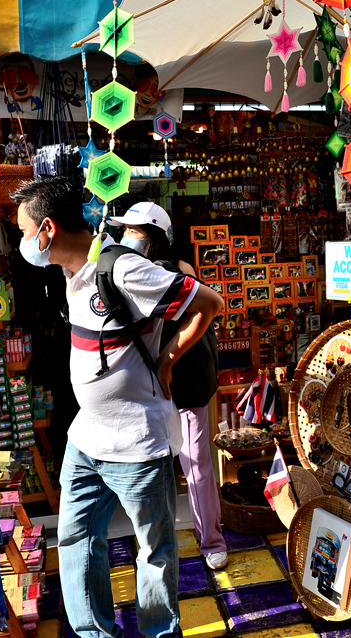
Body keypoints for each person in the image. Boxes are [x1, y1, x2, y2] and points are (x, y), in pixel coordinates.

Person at [11, 178, 223, 638]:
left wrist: (167, 360)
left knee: (154, 552)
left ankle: (158, 634)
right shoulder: (72, 271)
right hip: (86, 439)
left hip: (137, 444)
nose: (22, 242)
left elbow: (209, 303)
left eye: (25, 231)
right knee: (76, 541)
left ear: (47, 229)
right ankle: (94, 633)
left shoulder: (124, 269)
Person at [108, 202, 229, 571]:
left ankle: (210, 542)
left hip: (185, 381)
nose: (126, 238)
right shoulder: (146, 270)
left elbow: (206, 311)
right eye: (124, 230)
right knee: (179, 463)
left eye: (133, 232)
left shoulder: (165, 273)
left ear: (153, 239)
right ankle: (193, 543)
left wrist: (166, 363)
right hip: (165, 383)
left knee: (193, 463)